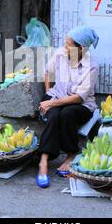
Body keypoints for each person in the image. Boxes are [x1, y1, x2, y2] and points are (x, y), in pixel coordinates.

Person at [37, 26, 99, 188]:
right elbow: (47, 72)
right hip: (57, 95)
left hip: (82, 105)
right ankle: (43, 160)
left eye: (68, 45)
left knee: (66, 114)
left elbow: (79, 97)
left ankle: (71, 154)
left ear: (80, 49)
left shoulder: (91, 66)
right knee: (54, 114)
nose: (64, 47)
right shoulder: (60, 54)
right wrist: (48, 93)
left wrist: (50, 102)